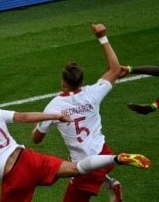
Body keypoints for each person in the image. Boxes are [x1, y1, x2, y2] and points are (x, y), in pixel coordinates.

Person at [0, 85, 150, 202]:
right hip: (29, 159)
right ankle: (116, 158)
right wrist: (55, 116)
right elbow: (23, 116)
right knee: (76, 168)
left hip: (14, 176)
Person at [31, 24, 125, 201]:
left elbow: (36, 139)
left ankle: (108, 183)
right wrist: (102, 37)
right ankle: (110, 183)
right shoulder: (93, 93)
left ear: (63, 82)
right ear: (81, 81)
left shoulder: (54, 106)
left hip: (86, 167)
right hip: (104, 153)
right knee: (72, 160)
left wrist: (37, 127)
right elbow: (115, 69)